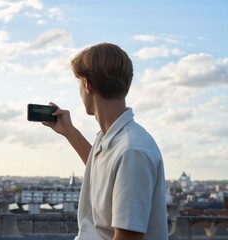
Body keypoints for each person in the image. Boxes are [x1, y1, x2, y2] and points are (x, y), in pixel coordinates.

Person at [42, 42, 168, 240]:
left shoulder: (131, 151)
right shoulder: (118, 140)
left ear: (87, 84)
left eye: (79, 84)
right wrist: (69, 131)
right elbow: (103, 171)